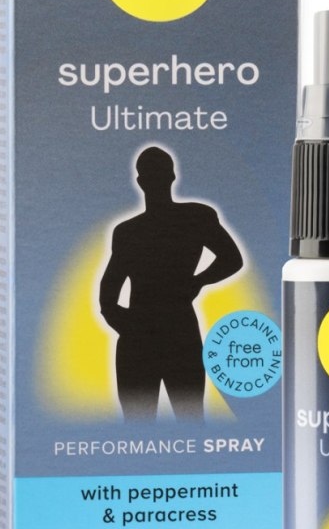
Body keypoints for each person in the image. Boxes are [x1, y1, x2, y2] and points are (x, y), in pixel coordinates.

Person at [99, 147, 243, 421]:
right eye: (152, 175)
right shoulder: (129, 232)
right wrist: (128, 327)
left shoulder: (195, 217)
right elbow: (108, 294)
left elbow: (232, 259)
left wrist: (198, 281)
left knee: (186, 417)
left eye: (158, 174)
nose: (155, 181)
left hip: (175, 331)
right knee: (142, 424)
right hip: (149, 333)